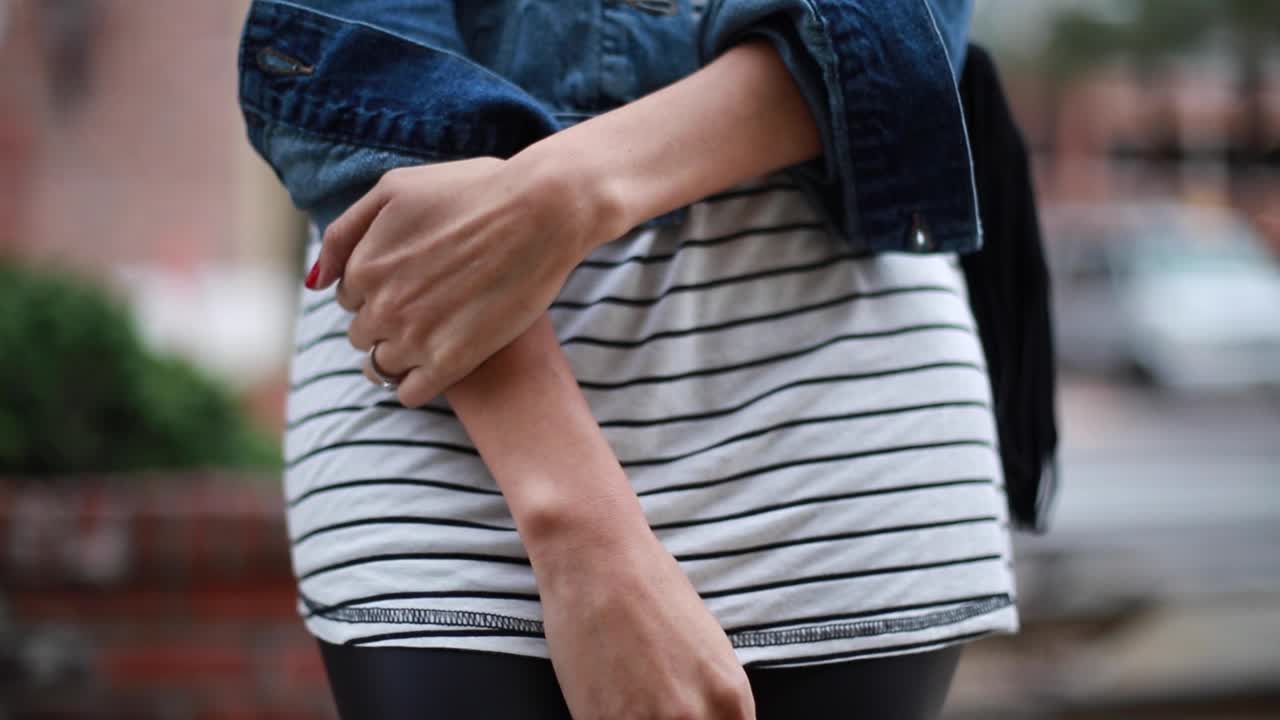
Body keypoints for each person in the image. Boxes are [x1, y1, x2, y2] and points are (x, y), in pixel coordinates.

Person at [238, 0, 1018, 717]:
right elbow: (349, 55)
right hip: (456, 405)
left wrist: (571, 190)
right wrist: (579, 529)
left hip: (825, 399)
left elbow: (892, 28)